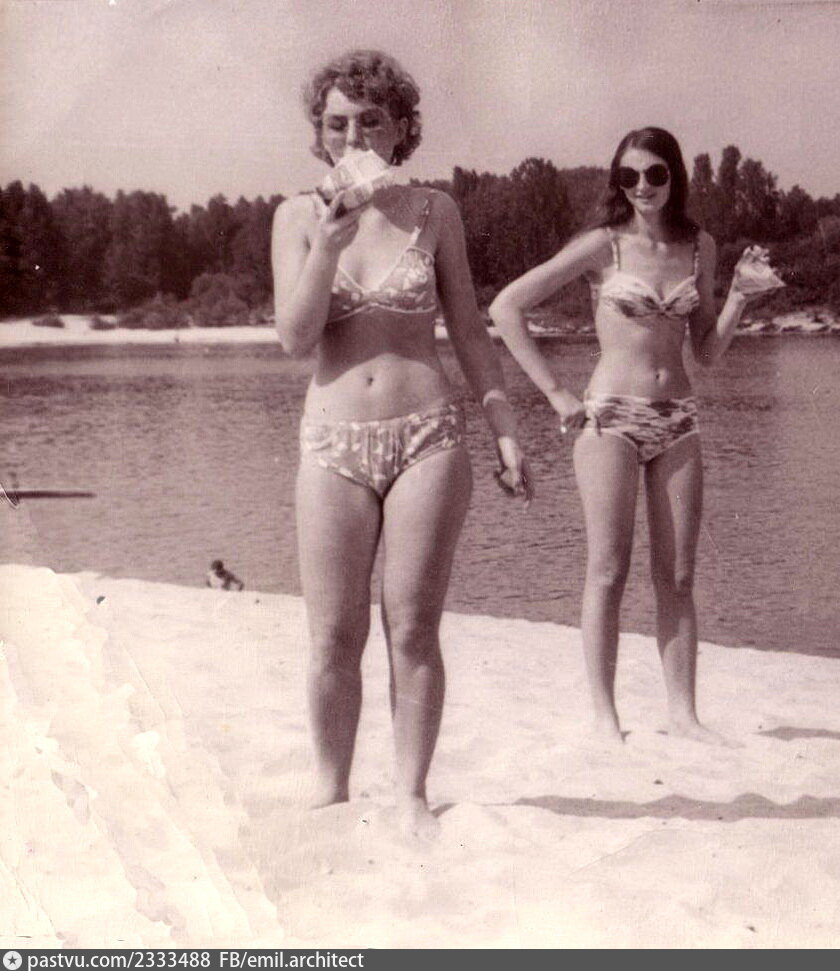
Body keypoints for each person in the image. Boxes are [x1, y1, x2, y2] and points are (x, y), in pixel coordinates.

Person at [270, 50, 531, 835]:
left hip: (429, 436)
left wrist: (505, 426)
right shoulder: (294, 216)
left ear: (400, 129)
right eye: (336, 124)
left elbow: (469, 330)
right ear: (320, 133)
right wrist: (328, 243)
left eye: (370, 121)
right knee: (332, 635)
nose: (352, 136)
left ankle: (411, 792)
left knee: (412, 627)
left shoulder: (435, 211)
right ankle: (331, 786)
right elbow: (294, 339)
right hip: (332, 442)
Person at [489, 127, 777, 744]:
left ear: (675, 176)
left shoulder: (700, 246)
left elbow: (707, 352)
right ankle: (605, 718)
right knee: (608, 571)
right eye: (629, 176)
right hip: (609, 420)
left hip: (679, 419)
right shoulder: (603, 245)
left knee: (678, 577)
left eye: (655, 174)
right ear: (617, 182)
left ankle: (683, 716)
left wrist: (739, 298)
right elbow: (506, 307)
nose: (642, 186)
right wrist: (556, 392)